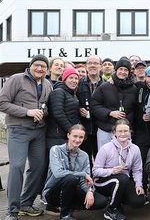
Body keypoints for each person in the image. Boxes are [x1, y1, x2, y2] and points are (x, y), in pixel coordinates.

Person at [0, 54, 53, 219]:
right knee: (17, 167)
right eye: (37, 65)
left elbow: (47, 107)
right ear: (31, 66)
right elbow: (1, 103)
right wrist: (27, 112)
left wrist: (43, 112)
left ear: (46, 69)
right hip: (18, 130)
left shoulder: (48, 84)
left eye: (43, 66)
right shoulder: (16, 79)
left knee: (38, 167)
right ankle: (12, 210)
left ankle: (26, 203)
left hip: (39, 131)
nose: (40, 68)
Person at [43, 124, 108, 220]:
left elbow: (84, 181)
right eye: (75, 136)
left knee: (101, 201)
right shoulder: (56, 149)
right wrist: (83, 174)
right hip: (54, 192)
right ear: (68, 135)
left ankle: (69, 206)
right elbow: (58, 173)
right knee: (71, 179)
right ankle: (64, 215)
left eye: (81, 137)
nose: (77, 140)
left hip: (73, 190)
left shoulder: (84, 155)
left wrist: (89, 191)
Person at [92, 119, 145, 220]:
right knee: (121, 179)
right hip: (103, 181)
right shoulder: (106, 148)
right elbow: (95, 171)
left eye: (126, 131)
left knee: (138, 201)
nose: (123, 134)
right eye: (120, 131)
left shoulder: (135, 149)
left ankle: (118, 201)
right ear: (114, 132)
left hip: (122, 180)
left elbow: (137, 169)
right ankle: (111, 210)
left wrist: (139, 185)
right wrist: (112, 171)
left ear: (130, 132)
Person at [44, 67, 82, 204]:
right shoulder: (59, 92)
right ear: (64, 79)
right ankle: (48, 198)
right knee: (55, 169)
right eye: (70, 78)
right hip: (56, 136)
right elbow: (58, 113)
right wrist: (72, 131)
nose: (74, 80)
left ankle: (61, 199)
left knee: (64, 169)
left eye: (76, 78)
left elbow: (70, 111)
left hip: (64, 136)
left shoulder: (72, 94)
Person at [90, 58, 138, 150]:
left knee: (124, 159)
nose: (123, 72)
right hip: (106, 130)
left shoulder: (134, 89)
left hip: (125, 131)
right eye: (120, 69)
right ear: (116, 70)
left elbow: (135, 109)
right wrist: (109, 113)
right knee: (105, 159)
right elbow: (94, 105)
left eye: (126, 70)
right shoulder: (105, 86)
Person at [133, 65, 150, 193]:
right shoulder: (138, 87)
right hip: (141, 132)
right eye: (148, 76)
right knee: (141, 161)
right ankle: (141, 188)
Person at [77, 55, 105, 165]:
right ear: (86, 66)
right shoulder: (78, 84)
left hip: (101, 127)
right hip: (84, 128)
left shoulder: (107, 85)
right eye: (90, 63)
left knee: (101, 158)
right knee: (85, 160)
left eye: (95, 63)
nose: (92, 65)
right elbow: (73, 101)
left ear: (101, 66)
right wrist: (79, 109)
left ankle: (100, 181)